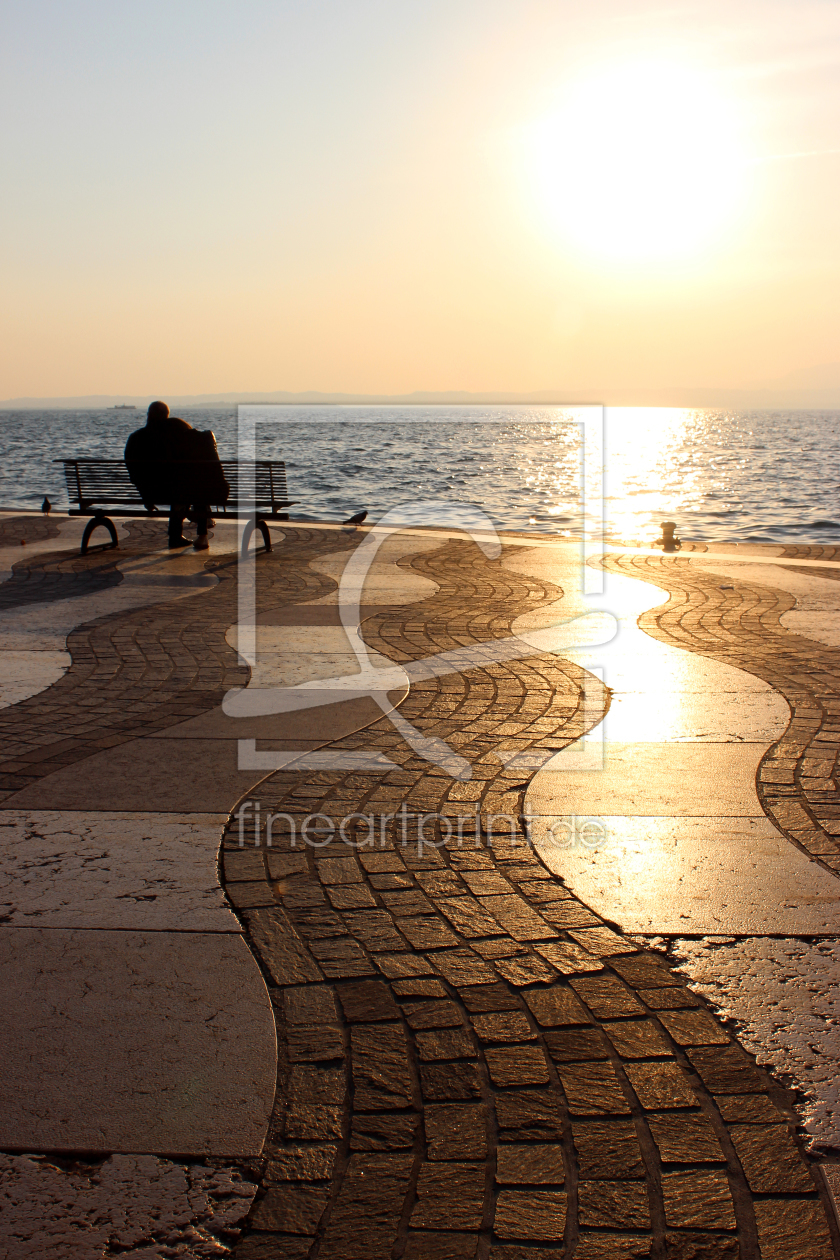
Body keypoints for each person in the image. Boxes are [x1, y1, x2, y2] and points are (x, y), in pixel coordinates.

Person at [124, 401, 229, 549]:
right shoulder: (174, 434)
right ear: (166, 416)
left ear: (148, 415)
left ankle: (177, 535)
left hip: (150, 491)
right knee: (195, 484)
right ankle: (202, 535)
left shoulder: (135, 438)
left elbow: (132, 470)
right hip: (176, 490)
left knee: (181, 487)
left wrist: (144, 493)